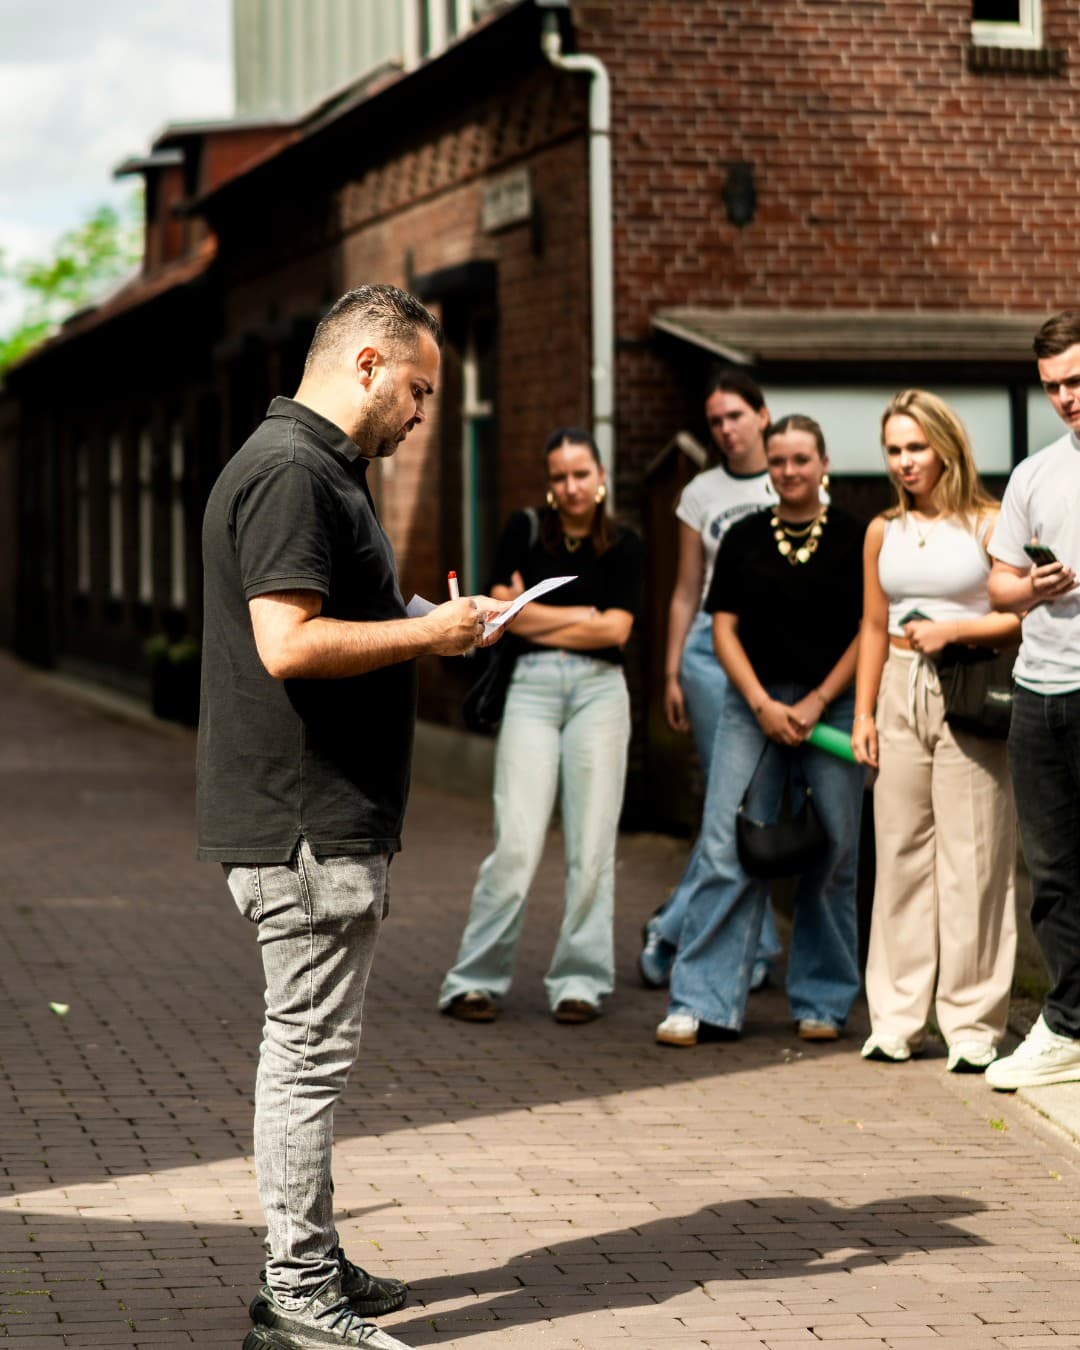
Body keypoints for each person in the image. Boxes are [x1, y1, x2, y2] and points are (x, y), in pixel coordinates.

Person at [197, 284, 508, 1350]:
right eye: (419, 388)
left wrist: (419, 621)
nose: (424, 412)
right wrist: (428, 640)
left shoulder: (316, 467)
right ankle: (297, 1292)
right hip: (306, 825)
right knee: (308, 1055)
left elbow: (327, 622)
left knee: (310, 1049)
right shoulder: (294, 473)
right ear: (367, 364)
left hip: (314, 816)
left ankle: (312, 1259)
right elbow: (287, 644)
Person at [655, 415, 865, 1047]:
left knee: (835, 854)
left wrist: (818, 701)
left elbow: (870, 630)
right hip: (753, 705)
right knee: (726, 849)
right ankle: (702, 1001)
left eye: (802, 459)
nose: (789, 471)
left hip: (832, 707)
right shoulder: (745, 536)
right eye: (778, 461)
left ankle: (823, 1001)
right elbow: (722, 629)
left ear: (824, 464)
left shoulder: (858, 536)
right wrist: (762, 704)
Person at [439, 428, 644, 1025]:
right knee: (518, 841)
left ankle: (580, 980)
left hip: (599, 695)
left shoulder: (625, 543)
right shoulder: (523, 530)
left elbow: (616, 633)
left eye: (581, 474)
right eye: (559, 476)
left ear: (601, 476)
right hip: (529, 690)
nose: (571, 486)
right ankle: (474, 979)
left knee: (591, 846)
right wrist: (579, 614)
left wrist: (534, 611)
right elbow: (499, 618)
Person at [852, 390, 1021, 1074]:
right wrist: (862, 713)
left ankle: (973, 1024)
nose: (904, 462)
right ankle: (896, 1019)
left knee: (975, 860)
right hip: (896, 685)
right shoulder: (880, 531)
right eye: (894, 449)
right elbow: (870, 625)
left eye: (916, 447)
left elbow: (1017, 616)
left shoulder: (988, 523)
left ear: (946, 446)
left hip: (969, 687)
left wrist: (952, 629)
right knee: (898, 857)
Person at [639, 366, 782, 989]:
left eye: (735, 416)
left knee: (756, 802)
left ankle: (674, 925)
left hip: (774, 653)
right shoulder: (700, 492)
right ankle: (750, 947)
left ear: (763, 415)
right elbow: (684, 590)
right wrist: (671, 670)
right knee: (727, 802)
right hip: (705, 652)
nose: (725, 429)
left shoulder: (792, 480)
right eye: (715, 420)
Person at [984, 311, 1080, 1091]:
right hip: (1037, 690)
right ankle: (1070, 1023)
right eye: (1053, 387)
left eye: (1077, 380)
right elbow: (999, 585)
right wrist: (1032, 586)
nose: (1067, 398)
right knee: (1052, 873)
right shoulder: (1033, 475)